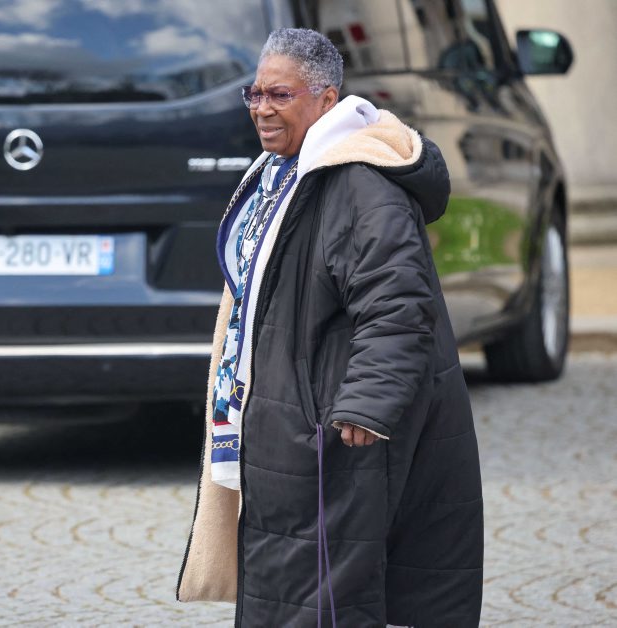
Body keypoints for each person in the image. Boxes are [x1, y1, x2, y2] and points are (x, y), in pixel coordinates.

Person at [176, 28, 484, 627]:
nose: (262, 108)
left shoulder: (358, 184)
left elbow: (398, 302)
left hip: (330, 436)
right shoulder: (282, 172)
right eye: (254, 93)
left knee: (320, 601)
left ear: (326, 99)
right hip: (283, 427)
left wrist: (367, 404)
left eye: (280, 95)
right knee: (286, 592)